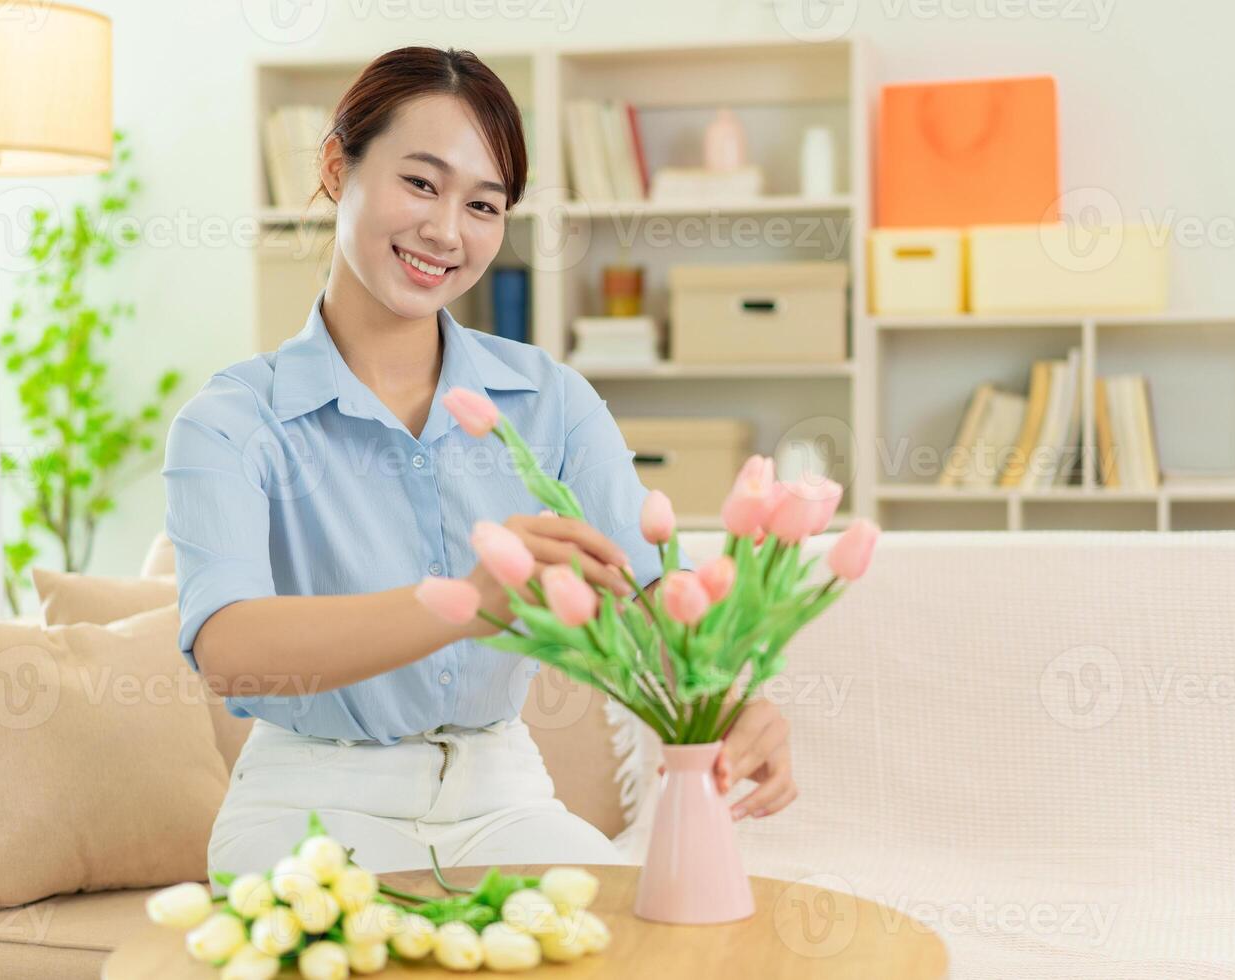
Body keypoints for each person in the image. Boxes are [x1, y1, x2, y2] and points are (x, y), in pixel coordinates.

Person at [161, 45, 797, 880]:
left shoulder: (552, 401)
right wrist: (468, 599)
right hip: (307, 801)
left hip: (504, 796)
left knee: (634, 945)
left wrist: (732, 699)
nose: (446, 231)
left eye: (485, 205)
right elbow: (230, 648)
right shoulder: (232, 421)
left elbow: (643, 594)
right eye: (420, 183)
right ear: (334, 165)